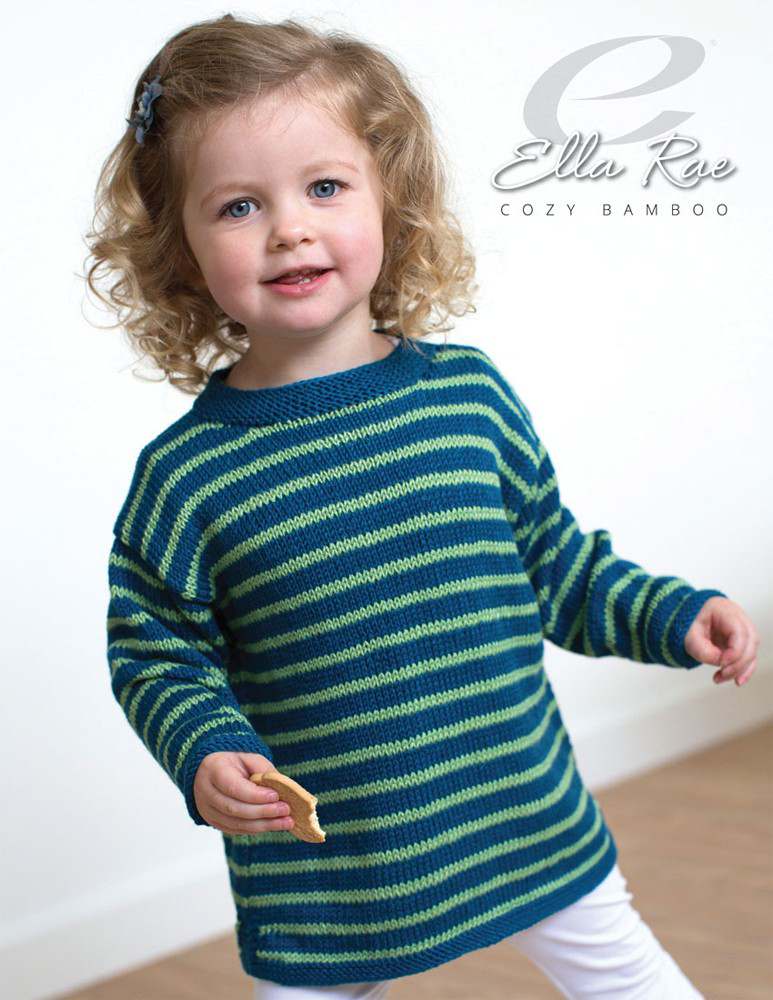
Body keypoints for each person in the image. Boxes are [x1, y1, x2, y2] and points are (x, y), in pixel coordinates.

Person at [86, 13, 759, 1000]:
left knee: (633, 983)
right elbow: (156, 653)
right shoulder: (187, 476)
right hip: (332, 875)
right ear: (180, 251)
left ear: (389, 200)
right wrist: (205, 749)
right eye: (238, 205)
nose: (289, 228)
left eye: (324, 187)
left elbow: (556, 567)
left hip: (522, 820)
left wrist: (670, 614)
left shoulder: (467, 399)